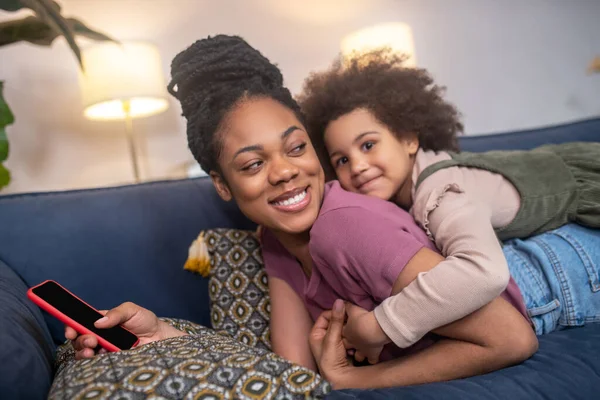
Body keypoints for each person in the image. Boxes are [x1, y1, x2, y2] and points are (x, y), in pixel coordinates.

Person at [66, 35, 539, 389]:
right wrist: (168, 337)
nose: (284, 172)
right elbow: (290, 373)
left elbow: (512, 338)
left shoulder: (344, 226)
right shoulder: (276, 240)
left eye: (296, 148)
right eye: (253, 164)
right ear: (221, 185)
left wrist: (360, 381)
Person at [298, 49, 600, 350]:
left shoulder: (438, 190)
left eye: (368, 145)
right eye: (341, 160)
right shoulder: (405, 193)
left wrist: (381, 326)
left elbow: (484, 272)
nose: (358, 166)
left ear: (408, 139)